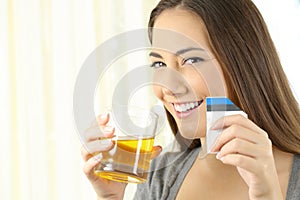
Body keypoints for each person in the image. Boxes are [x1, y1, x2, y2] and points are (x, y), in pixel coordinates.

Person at [81, 0, 300, 199]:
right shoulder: (163, 174)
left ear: (243, 62)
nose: (169, 86)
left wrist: (268, 194)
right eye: (159, 64)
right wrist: (110, 198)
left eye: (191, 60)